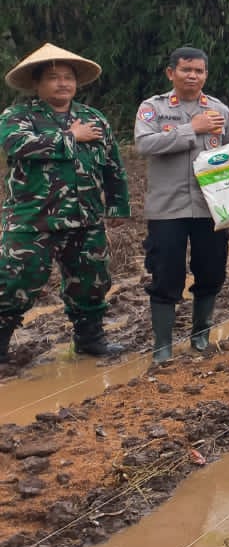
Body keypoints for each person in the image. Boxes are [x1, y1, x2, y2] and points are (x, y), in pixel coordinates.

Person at [0, 44, 130, 361]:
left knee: (92, 282)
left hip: (85, 218)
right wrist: (71, 137)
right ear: (37, 83)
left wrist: (117, 205)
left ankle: (89, 339)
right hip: (33, 219)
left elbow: (113, 165)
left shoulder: (93, 118)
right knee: (16, 280)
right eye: (53, 77)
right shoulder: (19, 116)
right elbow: (16, 145)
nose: (62, 83)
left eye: (68, 77)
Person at [134, 47, 229, 363]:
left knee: (212, 270)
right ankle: (162, 345)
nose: (193, 76)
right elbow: (145, 144)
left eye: (199, 71)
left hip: (212, 208)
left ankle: (200, 335)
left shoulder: (219, 110)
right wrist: (193, 129)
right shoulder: (154, 108)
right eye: (186, 69)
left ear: (206, 74)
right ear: (171, 72)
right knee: (165, 274)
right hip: (168, 208)